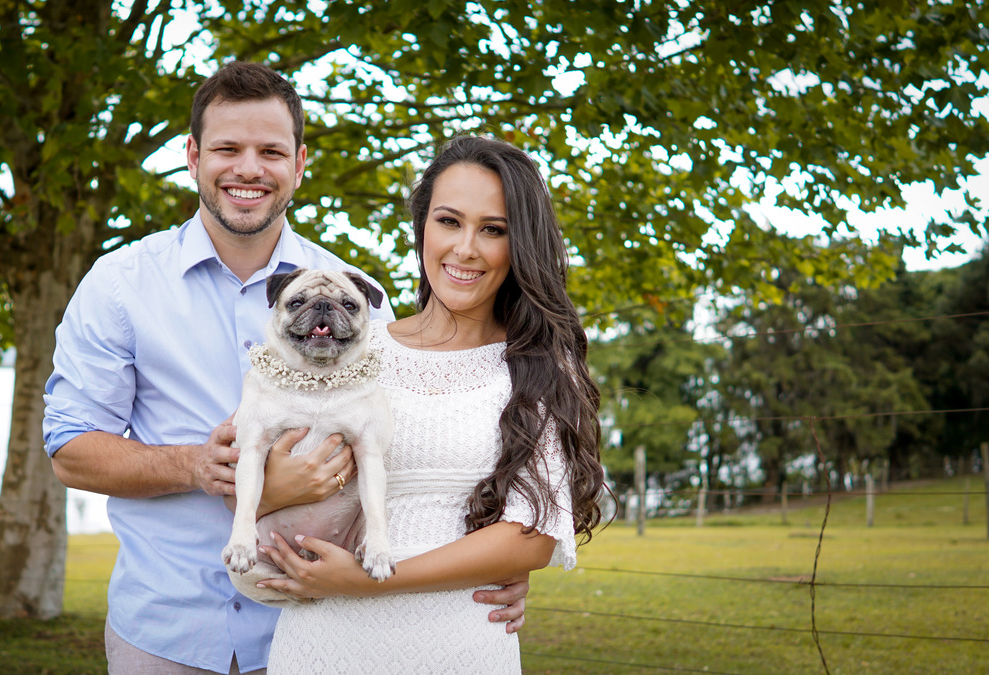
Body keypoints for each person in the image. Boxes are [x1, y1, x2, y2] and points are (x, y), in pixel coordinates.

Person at [42, 62, 529, 675]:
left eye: (271, 150)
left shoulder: (357, 300)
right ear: (192, 156)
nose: (249, 168)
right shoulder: (118, 285)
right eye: (227, 148)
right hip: (166, 631)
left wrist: (488, 564)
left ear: (299, 164)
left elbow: (416, 451)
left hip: (326, 630)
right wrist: (197, 466)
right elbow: (69, 450)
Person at [256, 136, 608, 673]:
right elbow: (258, 468)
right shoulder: (348, 348)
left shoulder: (536, 368)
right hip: (322, 642)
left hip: (460, 645)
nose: (466, 248)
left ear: (522, 245)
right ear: (422, 227)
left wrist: (372, 580)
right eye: (449, 221)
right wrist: (267, 489)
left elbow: (530, 540)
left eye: (493, 230)